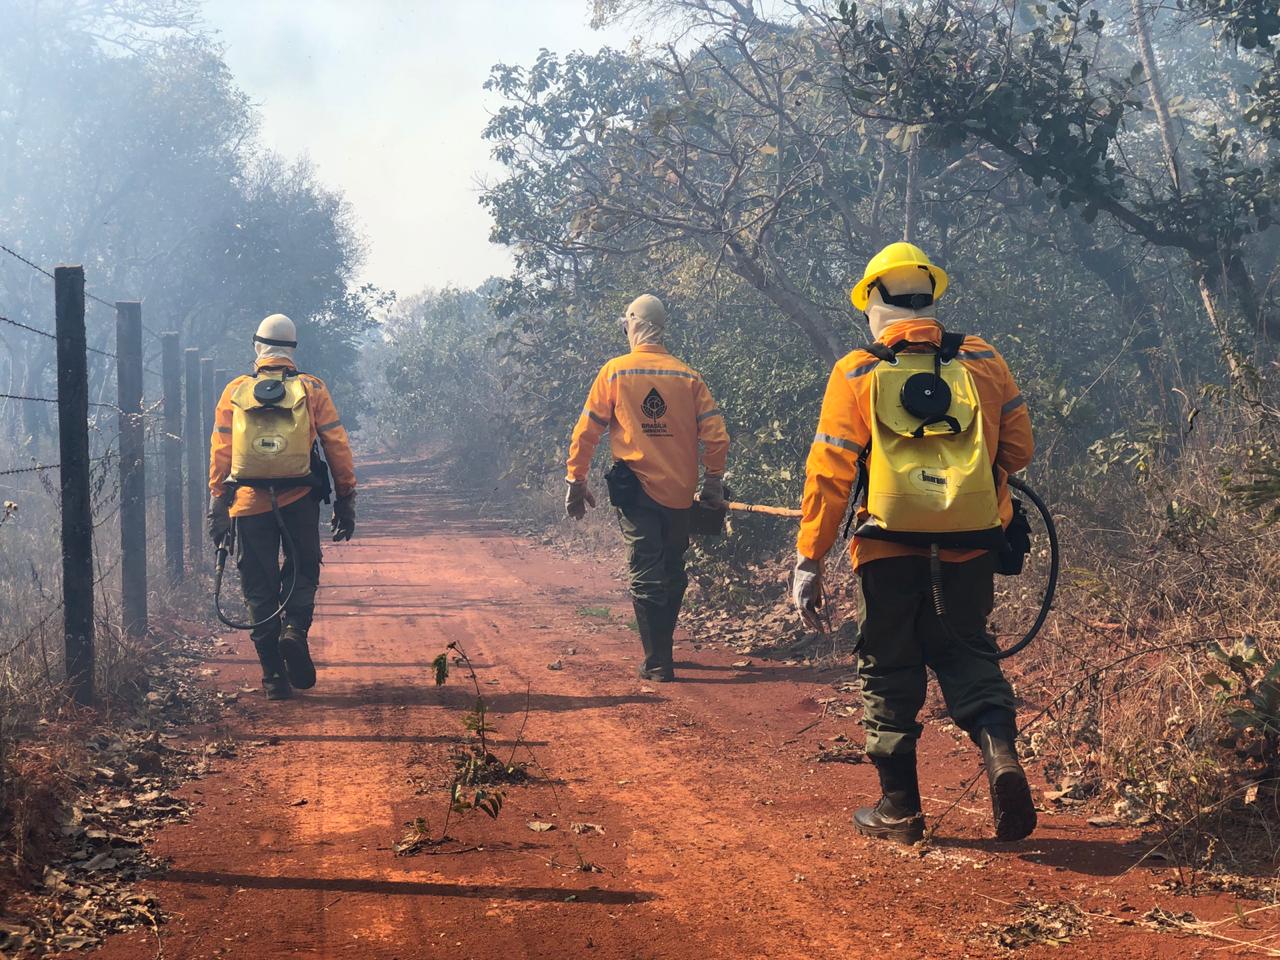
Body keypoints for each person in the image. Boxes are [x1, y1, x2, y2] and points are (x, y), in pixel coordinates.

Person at [792, 243, 1036, 843]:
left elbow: (830, 474)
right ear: (930, 297)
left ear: (874, 301)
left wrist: (810, 558)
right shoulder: (981, 358)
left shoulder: (855, 371)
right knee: (968, 652)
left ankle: (900, 807)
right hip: (972, 542)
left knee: (888, 665)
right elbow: (1019, 449)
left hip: (886, 550)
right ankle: (1000, 753)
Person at [565, 295, 730, 682]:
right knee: (672, 569)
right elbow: (717, 437)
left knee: (646, 571)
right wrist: (713, 483)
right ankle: (662, 652)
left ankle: (658, 662)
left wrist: (576, 479)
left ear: (633, 325)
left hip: (636, 492)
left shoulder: (616, 372)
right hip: (679, 493)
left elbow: (587, 432)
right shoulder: (688, 376)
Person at [206, 313, 357, 701]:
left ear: (257, 347)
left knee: (258, 584)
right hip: (299, 499)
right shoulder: (312, 388)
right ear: (292, 348)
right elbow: (336, 445)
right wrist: (346, 497)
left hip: (248, 503)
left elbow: (222, 449)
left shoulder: (235, 390)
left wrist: (218, 501)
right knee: (302, 568)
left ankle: (273, 677)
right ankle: (294, 630)